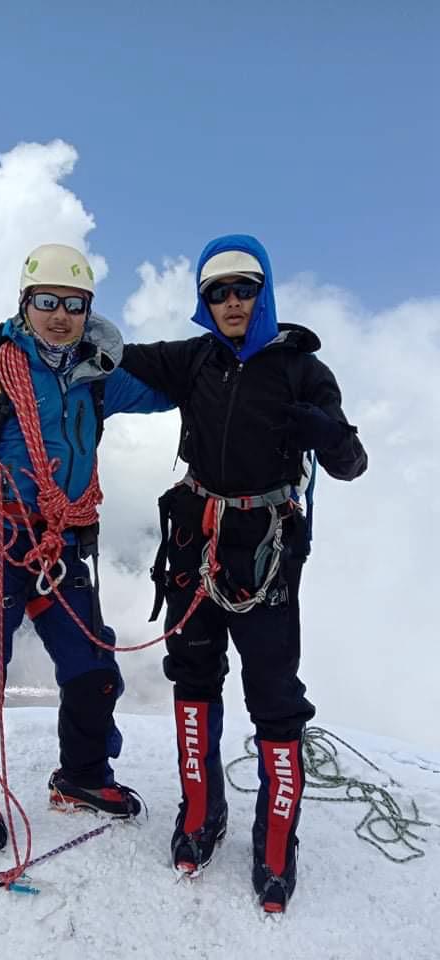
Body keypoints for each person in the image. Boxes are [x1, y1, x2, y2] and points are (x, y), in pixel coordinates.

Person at [120, 234, 367, 912]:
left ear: (264, 291)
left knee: (274, 700)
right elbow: (108, 350)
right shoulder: (192, 358)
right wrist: (4, 340)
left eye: (243, 288)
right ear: (204, 303)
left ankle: (275, 843)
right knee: (193, 680)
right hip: (194, 549)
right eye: (216, 292)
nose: (231, 302)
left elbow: (351, 464)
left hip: (265, 560)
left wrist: (331, 435)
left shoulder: (301, 369)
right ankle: (201, 817)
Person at [0, 243, 173, 854]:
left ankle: (82, 777)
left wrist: (234, 361)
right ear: (26, 303)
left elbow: (166, 390)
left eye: (73, 305)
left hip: (58, 543)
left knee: (94, 668)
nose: (59, 316)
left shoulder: (94, 379)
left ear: (87, 311)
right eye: (47, 303)